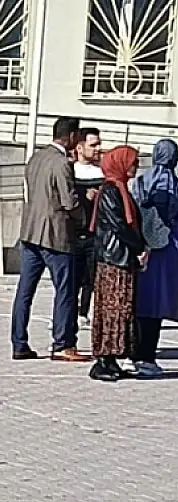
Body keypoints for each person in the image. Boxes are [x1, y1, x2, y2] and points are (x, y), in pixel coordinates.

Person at [11, 117, 86, 361]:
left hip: (30, 232)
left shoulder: (36, 158)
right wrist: (84, 216)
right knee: (65, 290)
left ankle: (19, 343)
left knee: (25, 291)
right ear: (72, 136)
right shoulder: (62, 163)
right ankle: (62, 343)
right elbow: (68, 201)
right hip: (55, 235)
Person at [88, 145, 144, 382]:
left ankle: (111, 360)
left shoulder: (120, 189)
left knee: (121, 310)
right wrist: (139, 247)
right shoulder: (112, 191)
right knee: (113, 310)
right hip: (113, 259)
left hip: (121, 258)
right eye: (132, 161)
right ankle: (102, 361)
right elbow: (119, 226)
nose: (136, 166)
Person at [133, 138, 178, 378]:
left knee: (141, 303)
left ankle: (137, 352)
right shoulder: (171, 183)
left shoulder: (140, 182)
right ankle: (147, 356)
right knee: (158, 304)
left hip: (141, 248)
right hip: (168, 250)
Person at [72, 128, 104, 326]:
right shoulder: (70, 170)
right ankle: (69, 312)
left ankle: (84, 312)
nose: (98, 149)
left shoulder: (101, 173)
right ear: (80, 147)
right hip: (73, 234)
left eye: (99, 144)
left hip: (94, 234)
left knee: (90, 278)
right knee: (71, 277)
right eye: (93, 145)